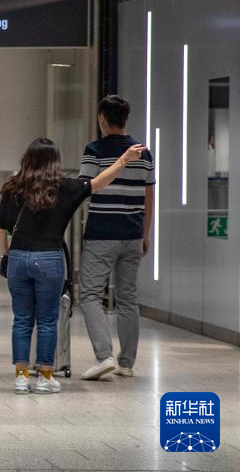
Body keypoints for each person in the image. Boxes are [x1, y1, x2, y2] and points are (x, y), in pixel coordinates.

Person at [0, 137, 145, 394]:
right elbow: (100, 182)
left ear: (27, 159)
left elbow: (1, 227)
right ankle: (44, 377)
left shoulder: (13, 187)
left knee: (21, 320)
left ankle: (21, 377)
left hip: (19, 258)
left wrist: (7, 255)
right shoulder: (64, 187)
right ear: (55, 162)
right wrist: (123, 160)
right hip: (49, 259)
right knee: (46, 320)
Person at [78, 96, 156, 381]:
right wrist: (144, 234)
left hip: (101, 233)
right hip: (132, 234)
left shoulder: (94, 150)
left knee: (89, 294)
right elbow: (150, 197)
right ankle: (126, 363)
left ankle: (104, 356)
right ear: (127, 116)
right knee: (128, 298)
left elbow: (87, 187)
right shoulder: (144, 154)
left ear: (101, 118)